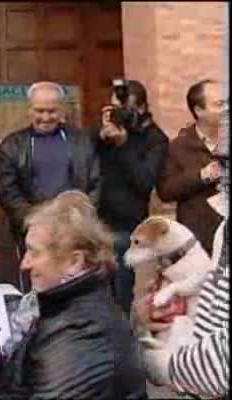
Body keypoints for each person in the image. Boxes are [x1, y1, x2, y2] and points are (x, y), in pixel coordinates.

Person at [0, 191, 148, 399]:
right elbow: (27, 381)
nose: (24, 264)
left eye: (34, 252)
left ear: (74, 262)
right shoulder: (67, 308)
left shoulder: (83, 329)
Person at [134, 104, 229, 399]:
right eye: (222, 163)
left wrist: (163, 363)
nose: (222, 176)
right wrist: (166, 314)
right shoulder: (225, 230)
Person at [0, 81, 100, 289]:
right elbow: (8, 192)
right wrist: (38, 222)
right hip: (34, 232)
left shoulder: (81, 141)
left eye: (51, 111)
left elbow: (95, 183)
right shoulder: (11, 146)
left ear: (61, 110)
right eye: (39, 110)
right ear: (29, 110)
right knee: (37, 289)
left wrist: (79, 218)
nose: (45, 117)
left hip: (74, 230)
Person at [90, 79, 169, 317]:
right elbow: (84, 153)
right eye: (114, 109)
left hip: (127, 224)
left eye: (124, 109)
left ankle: (123, 337)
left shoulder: (155, 139)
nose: (119, 115)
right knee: (95, 286)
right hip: (96, 220)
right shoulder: (105, 133)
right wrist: (100, 131)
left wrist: (123, 145)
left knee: (121, 287)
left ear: (143, 108)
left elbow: (145, 182)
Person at [157, 79, 225, 256]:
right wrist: (202, 176)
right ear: (199, 110)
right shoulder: (179, 147)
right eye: (219, 104)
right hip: (199, 242)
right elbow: (166, 191)